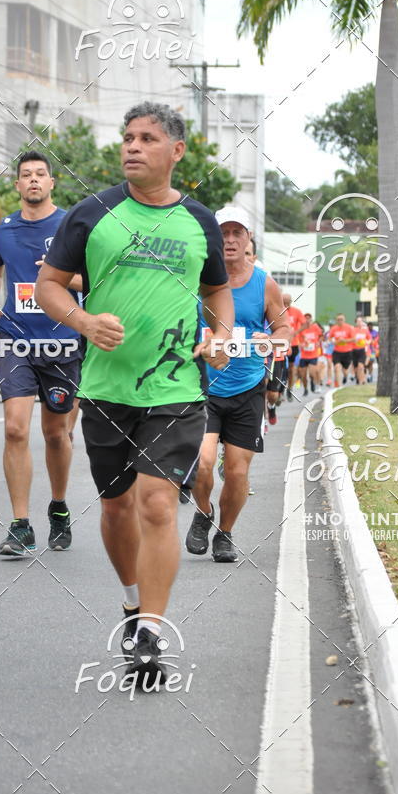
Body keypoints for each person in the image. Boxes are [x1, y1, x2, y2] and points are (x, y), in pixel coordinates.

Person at [36, 102, 233, 685]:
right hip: (105, 387)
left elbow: (216, 292)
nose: (133, 146)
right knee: (117, 506)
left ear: (177, 151)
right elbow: (48, 285)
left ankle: (150, 630)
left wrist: (221, 335)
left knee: (156, 503)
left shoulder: (199, 221)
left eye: (147, 138)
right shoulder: (91, 214)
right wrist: (83, 320)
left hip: (176, 385)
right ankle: (131, 600)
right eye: (128, 137)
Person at [0, 151, 83, 557]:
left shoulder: (71, 226)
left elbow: (96, 278)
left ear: (52, 182)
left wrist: (60, 277)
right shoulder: (2, 231)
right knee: (14, 429)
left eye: (41, 174)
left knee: (56, 434)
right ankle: (20, 525)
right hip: (15, 340)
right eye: (27, 175)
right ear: (18, 185)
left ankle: (58, 507)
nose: (34, 180)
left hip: (63, 342)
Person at [185, 208, 290, 561]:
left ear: (248, 238)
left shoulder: (264, 283)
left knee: (237, 472)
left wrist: (271, 339)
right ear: (214, 237)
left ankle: (225, 533)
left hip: (248, 388)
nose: (230, 240)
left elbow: (284, 329)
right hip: (203, 388)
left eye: (237, 233)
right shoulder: (196, 276)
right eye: (224, 233)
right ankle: (203, 513)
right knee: (203, 463)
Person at [282, 293, 304, 400]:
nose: (286, 305)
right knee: (281, 368)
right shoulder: (277, 311)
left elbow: (305, 324)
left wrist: (296, 333)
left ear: (291, 302)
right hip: (280, 343)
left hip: (293, 344)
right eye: (284, 303)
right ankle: (280, 388)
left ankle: (289, 389)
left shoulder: (296, 312)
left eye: (288, 303)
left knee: (291, 368)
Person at [297, 312, 323, 396]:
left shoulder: (315, 327)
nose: (307, 320)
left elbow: (321, 336)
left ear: (311, 319)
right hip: (304, 355)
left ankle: (313, 382)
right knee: (303, 375)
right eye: (306, 318)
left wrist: (318, 342)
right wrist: (301, 344)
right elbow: (297, 340)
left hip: (313, 354)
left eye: (309, 318)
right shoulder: (301, 329)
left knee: (312, 372)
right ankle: (305, 389)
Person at [329, 313, 356, 387]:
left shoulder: (349, 327)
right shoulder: (334, 328)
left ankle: (345, 376)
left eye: (341, 319)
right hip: (337, 351)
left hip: (347, 352)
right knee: (337, 367)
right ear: (336, 320)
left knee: (345, 370)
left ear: (344, 320)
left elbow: (354, 339)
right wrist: (334, 341)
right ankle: (339, 386)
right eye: (338, 319)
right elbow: (330, 338)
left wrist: (344, 340)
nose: (340, 321)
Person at [352, 315, 371, 385]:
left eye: (361, 321)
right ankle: (358, 378)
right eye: (358, 321)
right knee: (356, 368)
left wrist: (367, 342)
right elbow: (350, 339)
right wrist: (354, 340)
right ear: (356, 322)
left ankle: (362, 381)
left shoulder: (365, 330)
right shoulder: (353, 330)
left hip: (363, 350)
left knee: (361, 365)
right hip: (354, 350)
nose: (359, 322)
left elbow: (369, 339)